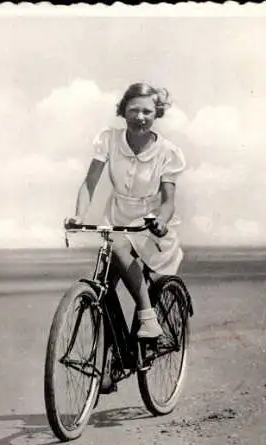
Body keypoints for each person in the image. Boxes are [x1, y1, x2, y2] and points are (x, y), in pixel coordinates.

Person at [71, 82, 186, 340]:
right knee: (105, 290)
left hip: (151, 225)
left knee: (118, 244)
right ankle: (110, 368)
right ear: (123, 111)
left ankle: (148, 319)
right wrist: (79, 216)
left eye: (147, 111)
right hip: (117, 218)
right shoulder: (109, 140)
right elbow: (89, 184)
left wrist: (161, 221)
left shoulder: (167, 152)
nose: (140, 117)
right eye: (133, 110)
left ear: (157, 114)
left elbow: (168, 202)